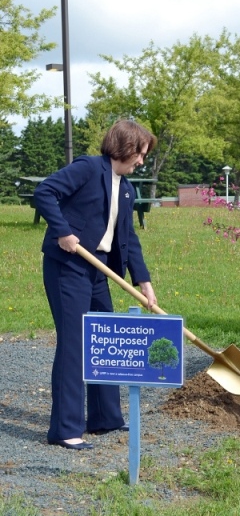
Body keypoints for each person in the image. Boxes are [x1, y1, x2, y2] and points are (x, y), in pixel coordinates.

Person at [34, 120, 158, 450]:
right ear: (127, 147)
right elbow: (45, 191)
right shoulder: (89, 168)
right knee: (75, 343)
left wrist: (143, 281)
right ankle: (65, 429)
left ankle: (104, 417)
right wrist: (62, 231)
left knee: (105, 338)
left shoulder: (127, 188)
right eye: (141, 154)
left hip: (98, 269)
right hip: (68, 266)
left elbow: (128, 239)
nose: (142, 161)